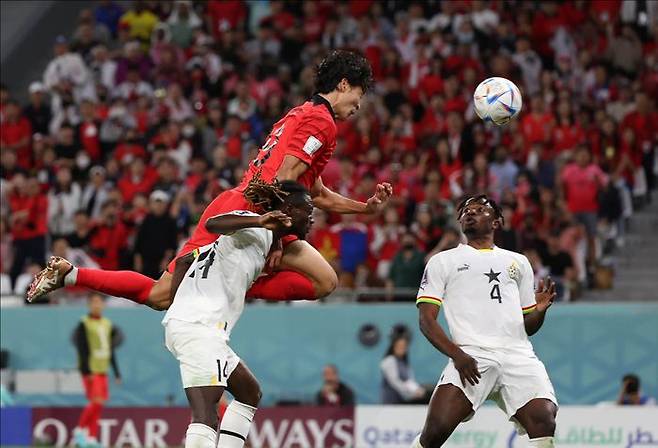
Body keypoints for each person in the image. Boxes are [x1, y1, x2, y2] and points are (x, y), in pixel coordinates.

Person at [28, 49, 393, 307]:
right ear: (344, 84)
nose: (358, 107)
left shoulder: (300, 113)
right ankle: (72, 274)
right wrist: (278, 236)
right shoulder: (322, 121)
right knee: (161, 296)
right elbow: (286, 176)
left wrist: (365, 208)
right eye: (359, 96)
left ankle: (75, 274)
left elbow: (313, 189)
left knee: (324, 282)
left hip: (253, 208)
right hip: (254, 214)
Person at [163, 178, 314, 448]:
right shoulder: (253, 223)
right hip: (199, 327)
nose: (312, 219)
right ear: (288, 210)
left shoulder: (266, 238)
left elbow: (186, 259)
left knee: (249, 392)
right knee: (206, 416)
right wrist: (260, 222)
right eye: (308, 211)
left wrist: (276, 240)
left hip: (202, 328)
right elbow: (213, 223)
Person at [412, 194, 558, 448]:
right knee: (435, 432)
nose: (470, 213)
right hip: (471, 356)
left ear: (497, 222)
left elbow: (529, 327)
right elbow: (426, 320)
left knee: (544, 420)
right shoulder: (442, 261)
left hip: (518, 356)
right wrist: (458, 356)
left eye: (480, 209)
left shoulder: (519, 262)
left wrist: (540, 311)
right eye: (465, 211)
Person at [72, 293, 122, 448]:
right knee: (96, 401)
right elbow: (82, 348)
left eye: (99, 302)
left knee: (98, 405)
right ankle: (79, 430)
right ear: (89, 305)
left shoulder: (107, 324)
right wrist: (87, 371)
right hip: (91, 370)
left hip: (103, 369)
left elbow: (110, 349)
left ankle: (91, 438)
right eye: (93, 302)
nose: (97, 305)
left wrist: (117, 372)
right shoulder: (84, 323)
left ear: (103, 305)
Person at [381, 334, 428, 404]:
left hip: (403, 401)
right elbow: (395, 382)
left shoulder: (405, 363)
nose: (401, 348)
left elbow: (410, 381)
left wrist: (417, 390)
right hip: (392, 401)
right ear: (393, 346)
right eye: (399, 346)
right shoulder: (389, 361)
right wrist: (411, 394)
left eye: (404, 346)